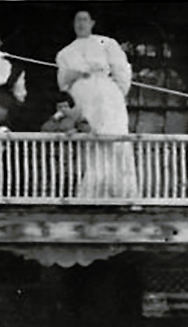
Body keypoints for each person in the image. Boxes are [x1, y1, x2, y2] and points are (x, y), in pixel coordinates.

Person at [55, 10, 138, 198]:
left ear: (92, 23)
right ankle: (93, 192)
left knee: (116, 140)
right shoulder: (65, 53)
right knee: (94, 140)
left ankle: (123, 193)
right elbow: (63, 83)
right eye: (77, 20)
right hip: (84, 100)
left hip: (109, 99)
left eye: (85, 20)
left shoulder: (106, 43)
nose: (81, 24)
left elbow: (122, 72)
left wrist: (115, 93)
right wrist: (78, 80)